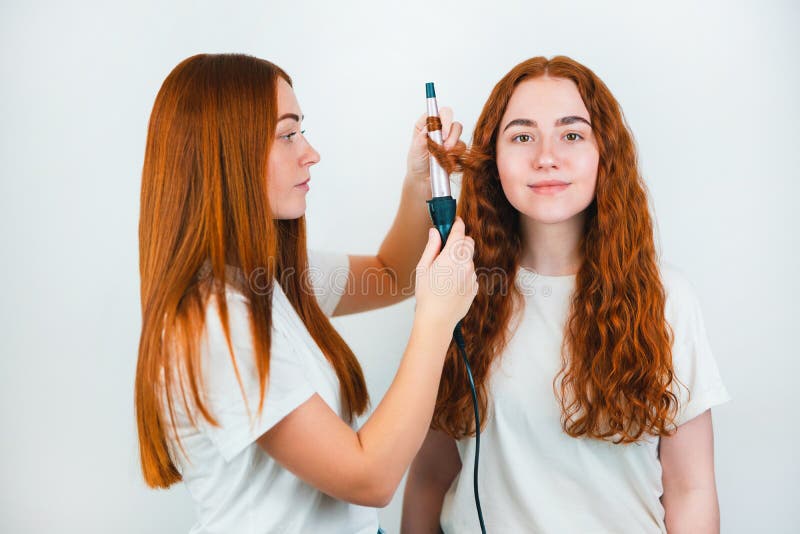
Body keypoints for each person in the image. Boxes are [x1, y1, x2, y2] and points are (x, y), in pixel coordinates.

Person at [134, 53, 477, 534]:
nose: (310, 152)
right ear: (226, 152)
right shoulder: (214, 319)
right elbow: (370, 477)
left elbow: (390, 274)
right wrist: (436, 320)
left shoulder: (268, 274)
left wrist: (419, 180)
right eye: (288, 133)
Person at [401, 55, 730, 533]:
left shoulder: (666, 298)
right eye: (522, 136)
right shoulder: (455, 294)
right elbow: (430, 478)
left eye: (572, 134)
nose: (546, 156)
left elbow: (691, 488)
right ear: (492, 157)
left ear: (605, 153)